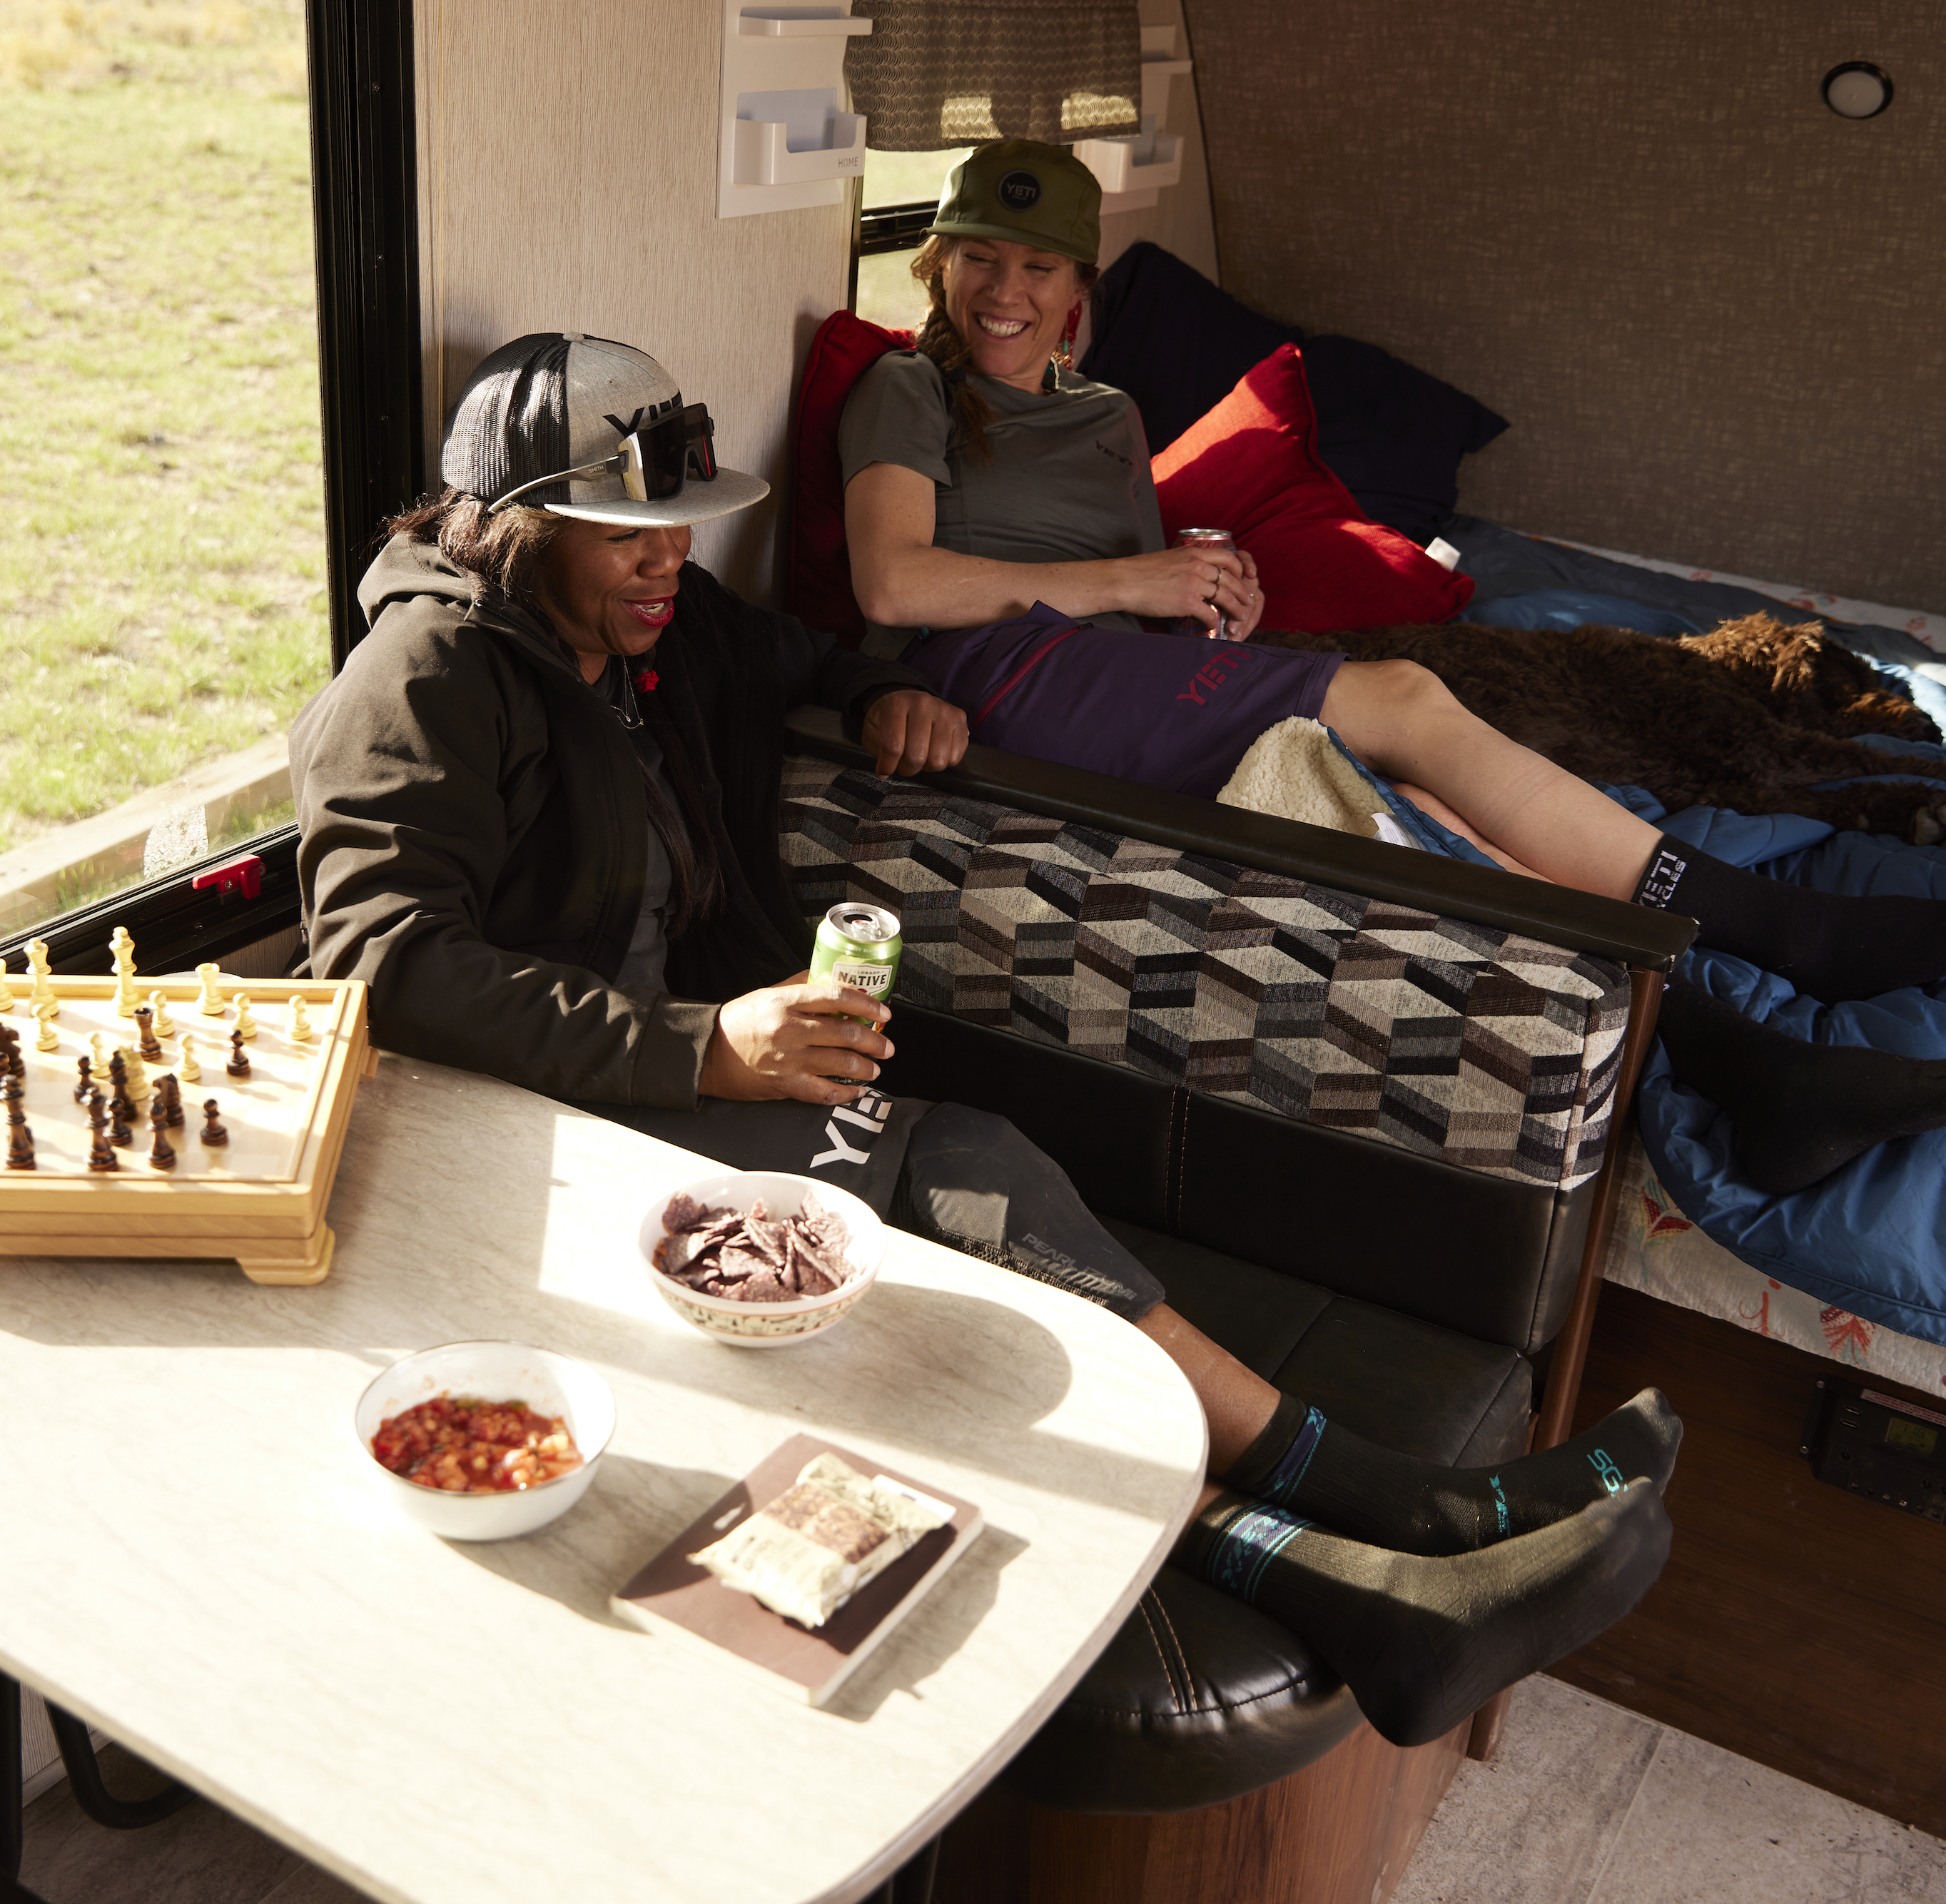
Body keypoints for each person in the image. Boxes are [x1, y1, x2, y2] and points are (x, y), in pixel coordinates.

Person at [290, 330, 1675, 1747]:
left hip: (655, 1088)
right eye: (625, 531)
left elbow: (811, 657)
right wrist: (702, 1044)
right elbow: (381, 966)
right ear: (517, 524)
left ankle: (1371, 1575)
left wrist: (878, 693)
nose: (667, 559)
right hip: (535, 1139)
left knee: (954, 1241)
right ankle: (1396, 1521)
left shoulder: (659, 627)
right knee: (968, 1173)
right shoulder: (428, 676)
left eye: (678, 528)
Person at [841, 140, 1946, 1195]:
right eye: (981, 259)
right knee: (1406, 696)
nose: (1006, 291)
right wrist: (1123, 586)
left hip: (1106, 684)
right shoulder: (907, 386)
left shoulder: (1108, 414)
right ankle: (1797, 933)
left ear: (1077, 289)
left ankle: (1754, 1070)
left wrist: (1210, 596)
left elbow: (1142, 602)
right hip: (995, 675)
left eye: (1037, 266)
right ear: (938, 265)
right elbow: (893, 585)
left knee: (1406, 814)